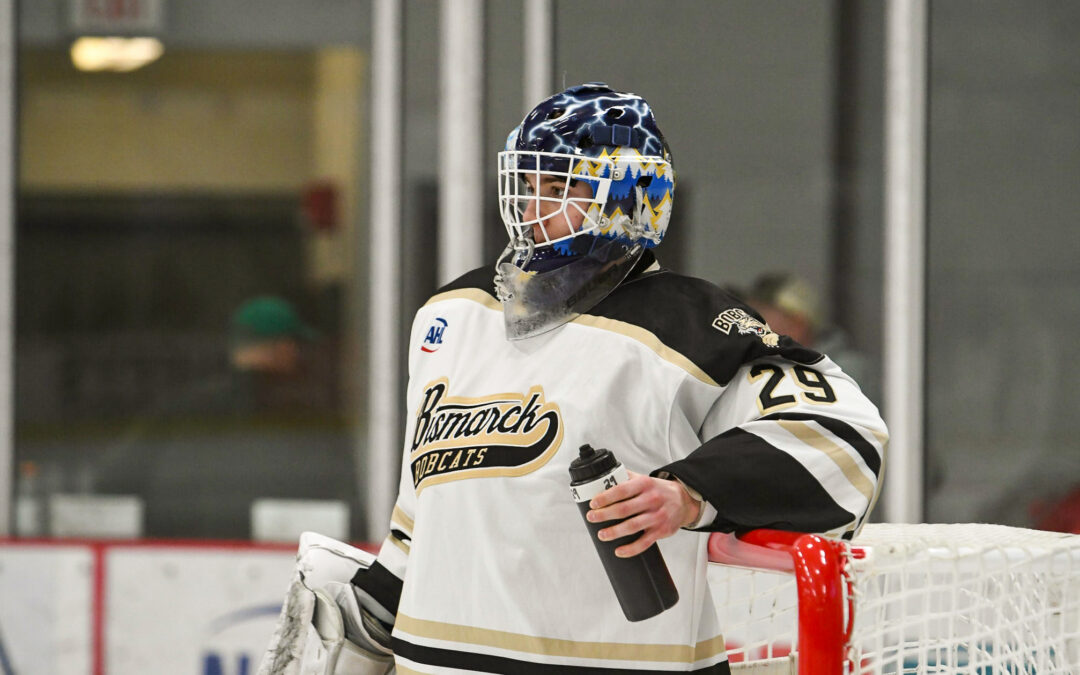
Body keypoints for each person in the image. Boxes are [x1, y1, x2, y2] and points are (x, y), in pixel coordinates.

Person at [263, 83, 887, 674]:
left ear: (623, 196)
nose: (531, 206)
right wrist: (371, 608)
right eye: (527, 182)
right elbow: (420, 508)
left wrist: (691, 493)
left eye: (555, 185)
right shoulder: (453, 312)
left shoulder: (692, 326)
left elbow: (845, 436)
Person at [744, 272, 879, 403]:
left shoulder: (846, 370)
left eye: (760, 317)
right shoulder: (753, 366)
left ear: (797, 324)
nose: (749, 326)